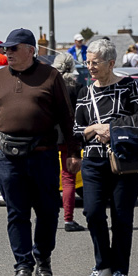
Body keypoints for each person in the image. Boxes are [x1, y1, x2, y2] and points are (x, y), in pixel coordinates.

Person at [0, 28, 77, 276]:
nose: (7, 52)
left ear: (31, 50)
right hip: (8, 158)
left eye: (13, 48)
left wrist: (73, 154)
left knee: (47, 211)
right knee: (16, 213)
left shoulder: (51, 76)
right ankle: (22, 265)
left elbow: (67, 119)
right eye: (6, 48)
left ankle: (43, 258)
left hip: (43, 155)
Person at [72, 39, 138, 276]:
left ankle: (119, 271)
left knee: (121, 216)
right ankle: (102, 264)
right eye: (88, 62)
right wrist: (92, 129)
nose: (90, 67)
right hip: (93, 161)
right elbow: (75, 129)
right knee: (92, 213)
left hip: (123, 161)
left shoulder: (128, 86)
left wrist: (111, 129)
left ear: (111, 63)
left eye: (95, 63)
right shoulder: (85, 92)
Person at [50, 51, 83, 232]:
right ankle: (68, 219)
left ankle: (49, 217)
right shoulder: (77, 88)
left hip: (50, 136)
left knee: (50, 179)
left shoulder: (49, 86)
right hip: (71, 137)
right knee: (69, 178)